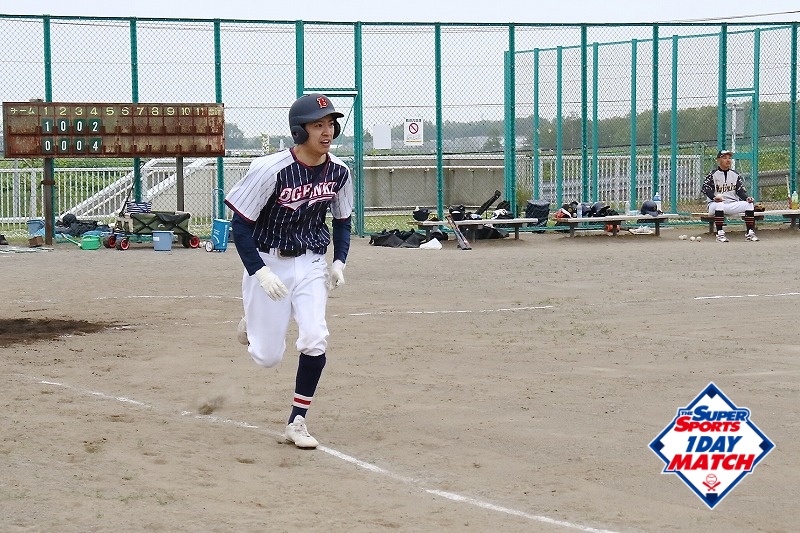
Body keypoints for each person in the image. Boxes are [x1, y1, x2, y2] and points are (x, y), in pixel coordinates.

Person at [224, 93, 353, 449]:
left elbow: (342, 221)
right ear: (299, 131)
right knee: (267, 357)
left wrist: (339, 261)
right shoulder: (271, 169)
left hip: (311, 262)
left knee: (314, 338)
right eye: (317, 125)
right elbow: (240, 226)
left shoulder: (339, 171)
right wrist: (260, 272)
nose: (326, 132)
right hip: (269, 260)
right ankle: (252, 325)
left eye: (331, 124)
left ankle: (297, 421)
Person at [701, 149, 758, 242]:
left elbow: (740, 191)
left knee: (748, 204)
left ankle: (750, 232)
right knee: (719, 204)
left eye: (729, 158)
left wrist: (747, 198)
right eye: (724, 158)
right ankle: (720, 234)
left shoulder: (735, 174)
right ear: (718, 160)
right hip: (715, 205)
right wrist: (714, 198)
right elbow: (706, 190)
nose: (728, 160)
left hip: (732, 204)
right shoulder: (712, 174)